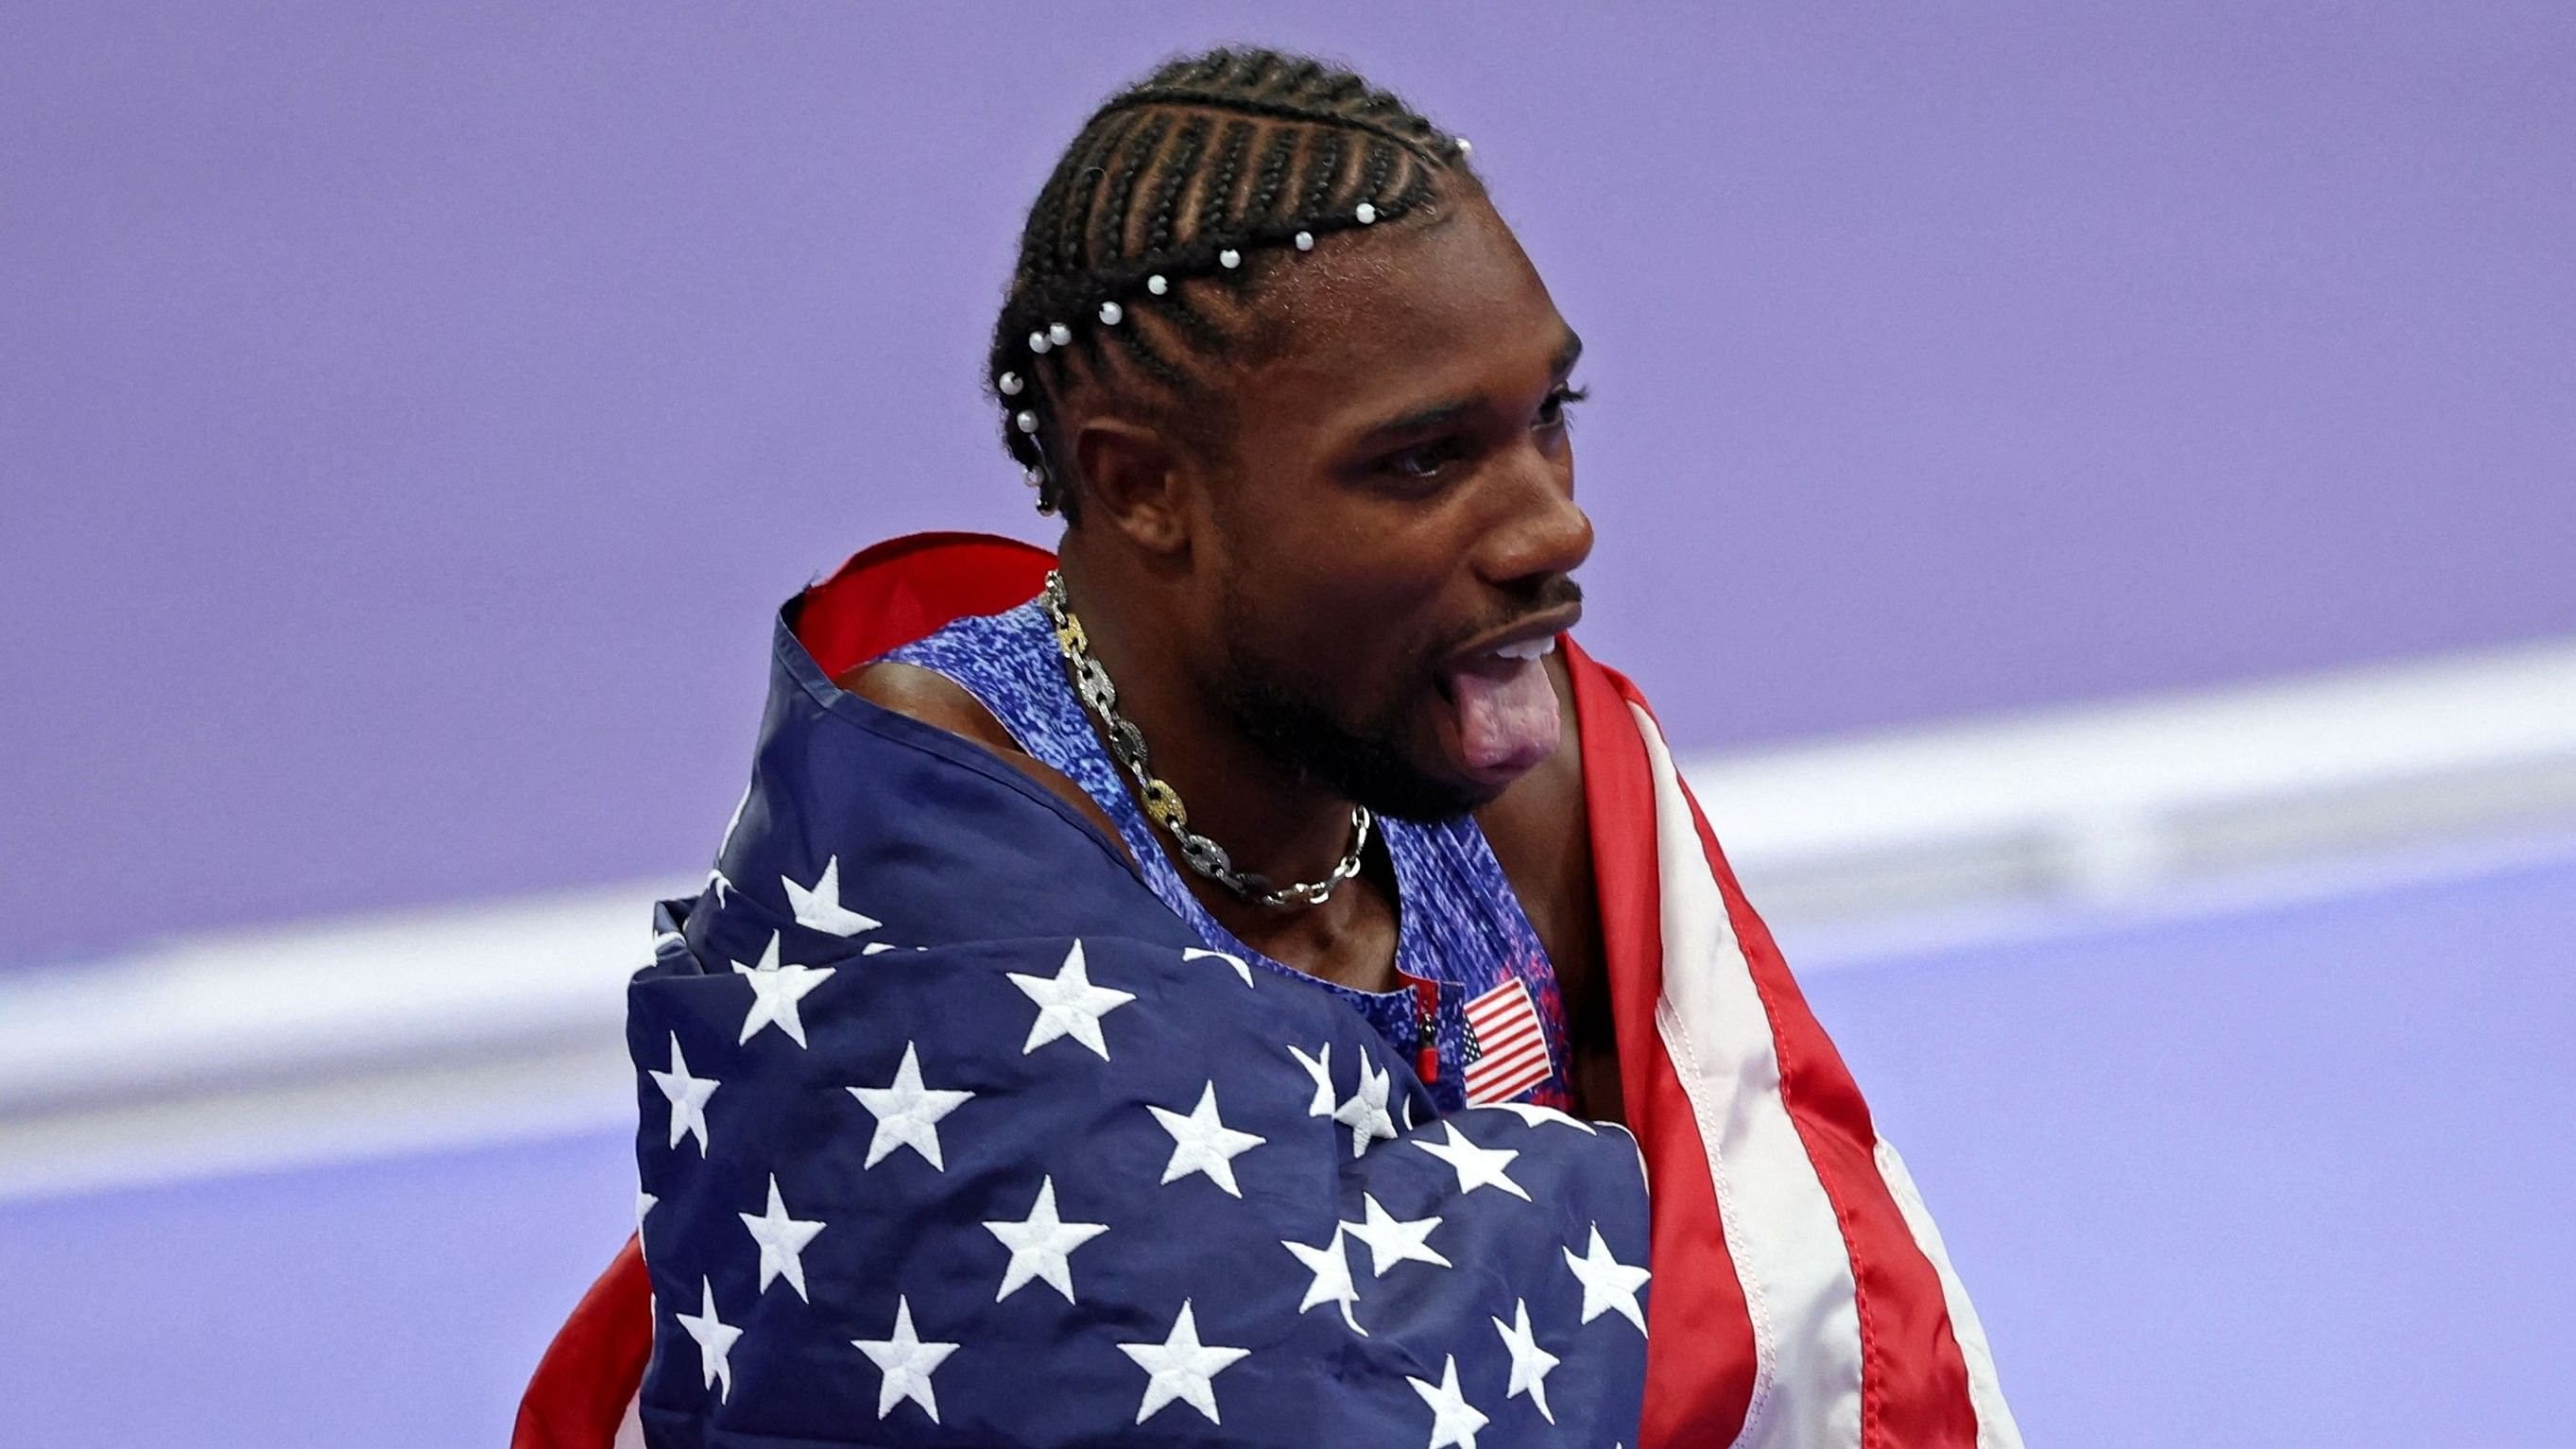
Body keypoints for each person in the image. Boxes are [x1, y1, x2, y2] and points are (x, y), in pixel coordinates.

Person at [518, 47, 2019, 1449]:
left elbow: (1743, 1280)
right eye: (1423, 458)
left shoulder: (1527, 773)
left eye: (1545, 417)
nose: (1555, 523)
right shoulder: (925, 842)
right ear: (1143, 486)